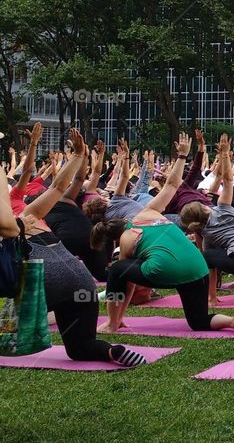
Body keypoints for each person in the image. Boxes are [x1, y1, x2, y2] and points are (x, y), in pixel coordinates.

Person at [2, 130, 146, 367]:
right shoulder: (30, 214)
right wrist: (78, 156)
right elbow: (58, 188)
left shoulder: (15, 223)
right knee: (81, 347)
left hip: (44, 282)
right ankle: (112, 351)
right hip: (81, 282)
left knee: (8, 327)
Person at [91, 132, 234, 336]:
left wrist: (117, 318)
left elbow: (126, 281)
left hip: (168, 270)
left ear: (114, 235)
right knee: (198, 320)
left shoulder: (126, 239)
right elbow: (172, 184)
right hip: (197, 267)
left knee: (117, 270)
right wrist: (183, 156)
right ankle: (233, 321)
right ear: (125, 219)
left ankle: (112, 324)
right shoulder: (148, 212)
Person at [180, 134, 234, 299]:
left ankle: (211, 296)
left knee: (207, 256)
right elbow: (228, 180)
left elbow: (208, 266)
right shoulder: (222, 207)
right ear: (204, 208)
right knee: (230, 247)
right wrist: (225, 154)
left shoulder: (206, 234)